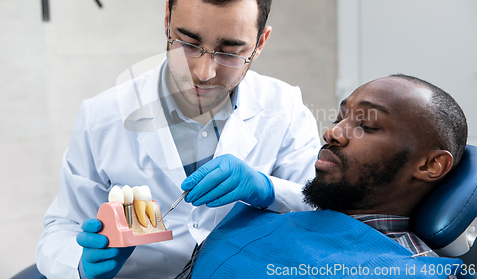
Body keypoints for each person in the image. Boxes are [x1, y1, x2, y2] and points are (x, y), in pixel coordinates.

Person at [35, 0, 321, 279]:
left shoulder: (284, 109)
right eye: (188, 42)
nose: (204, 71)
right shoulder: (102, 117)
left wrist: (268, 189)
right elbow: (60, 227)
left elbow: (319, 216)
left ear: (260, 43)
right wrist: (81, 264)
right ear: (168, 19)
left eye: (229, 52)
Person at [177, 74, 468, 279]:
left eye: (366, 125)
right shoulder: (255, 221)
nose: (332, 133)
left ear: (431, 165)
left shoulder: (412, 271)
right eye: (338, 118)